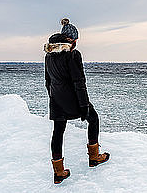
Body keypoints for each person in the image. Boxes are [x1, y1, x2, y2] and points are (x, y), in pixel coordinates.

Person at [44, 30, 110, 184]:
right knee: (93, 119)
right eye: (76, 39)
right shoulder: (73, 54)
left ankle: (58, 172)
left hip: (56, 99)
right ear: (70, 39)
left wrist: (53, 99)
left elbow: (48, 82)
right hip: (72, 98)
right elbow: (79, 82)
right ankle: (94, 157)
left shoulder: (49, 55)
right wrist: (84, 104)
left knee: (58, 132)